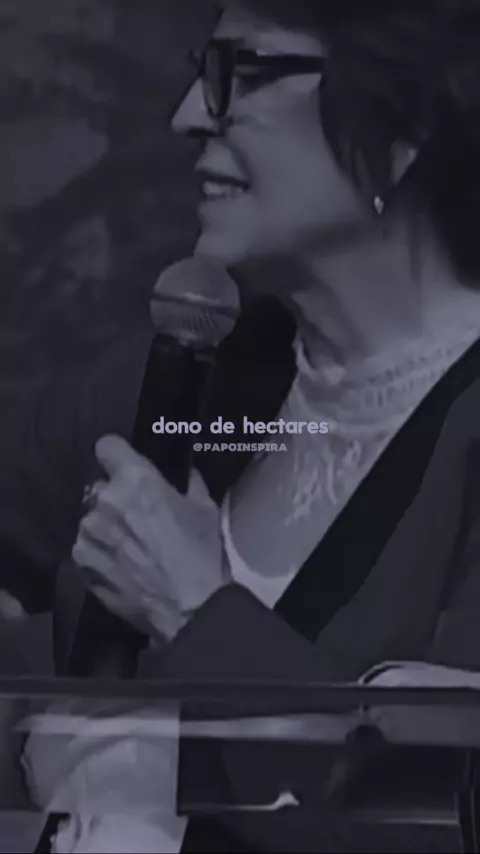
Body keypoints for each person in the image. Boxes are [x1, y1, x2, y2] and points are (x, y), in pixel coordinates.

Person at [5, 0, 480, 850]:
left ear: (404, 121)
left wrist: (195, 610)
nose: (189, 113)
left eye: (240, 73)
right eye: (203, 73)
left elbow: (436, 819)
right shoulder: (203, 369)